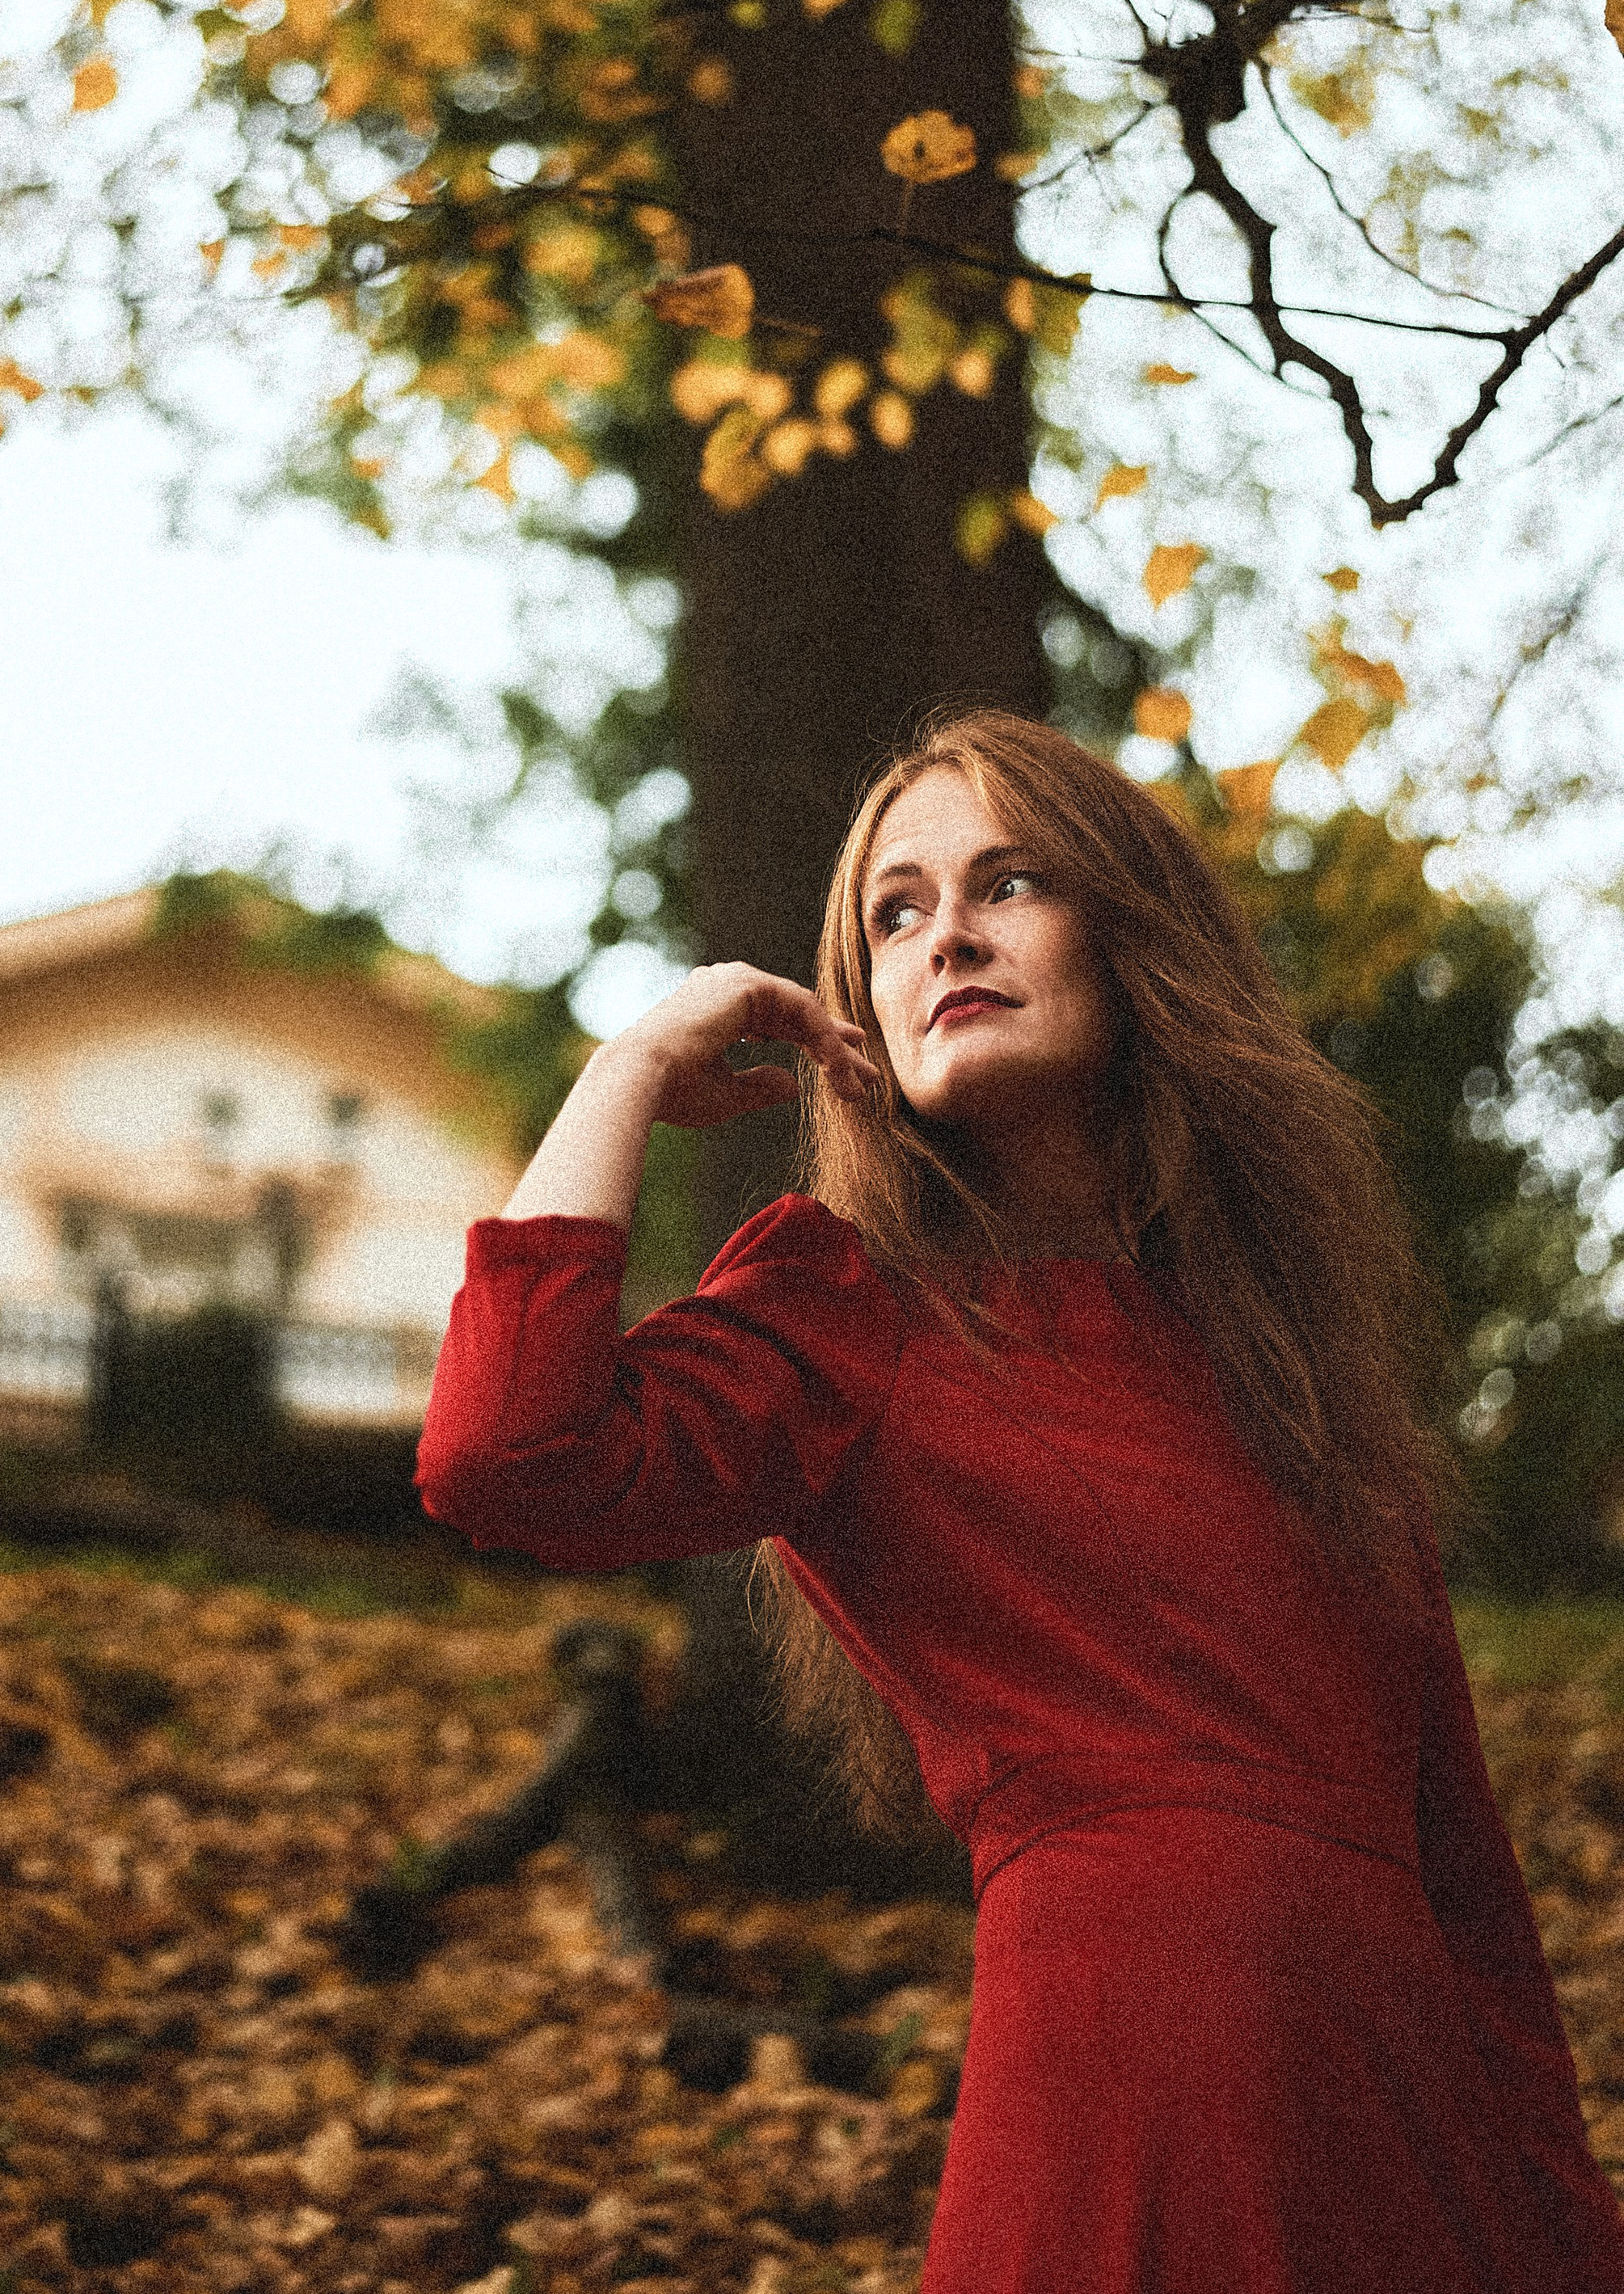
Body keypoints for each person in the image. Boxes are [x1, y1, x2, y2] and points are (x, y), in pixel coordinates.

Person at [416, 708, 1624, 2294]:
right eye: (894, 913)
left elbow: (1462, 1881)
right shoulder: (844, 1307)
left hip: (1417, 2130)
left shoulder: (1297, 1376)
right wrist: (634, 1059)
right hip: (1122, 2098)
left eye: (1007, 882)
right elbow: (502, 1454)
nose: (945, 938)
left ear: (1135, 938)